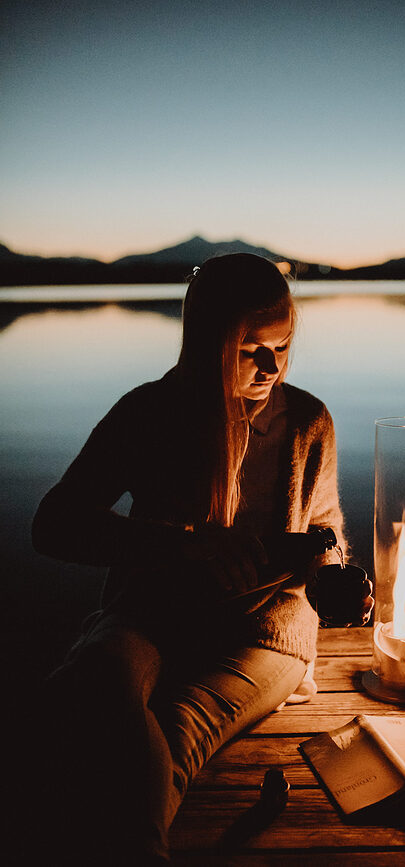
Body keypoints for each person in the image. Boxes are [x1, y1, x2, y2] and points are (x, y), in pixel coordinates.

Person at [31, 253, 363, 865]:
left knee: (183, 725)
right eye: (250, 349)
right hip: (154, 609)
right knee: (96, 678)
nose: (273, 366)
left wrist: (335, 575)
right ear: (206, 340)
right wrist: (180, 543)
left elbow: (325, 529)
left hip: (268, 629)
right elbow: (54, 525)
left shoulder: (308, 421)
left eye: (283, 346)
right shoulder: (148, 414)